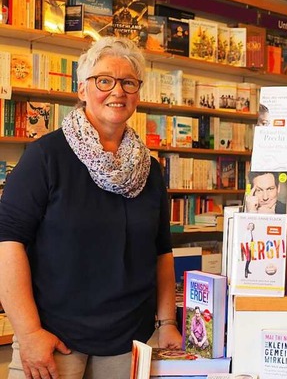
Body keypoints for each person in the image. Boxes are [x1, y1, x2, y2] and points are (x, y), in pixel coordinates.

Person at [0, 36, 182, 379]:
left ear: (138, 93)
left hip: (130, 338)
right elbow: (7, 244)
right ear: (82, 89)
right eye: (104, 81)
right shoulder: (45, 157)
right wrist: (28, 333)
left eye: (129, 82)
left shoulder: (150, 169)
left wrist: (167, 322)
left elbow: (162, 252)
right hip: (54, 338)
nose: (118, 91)